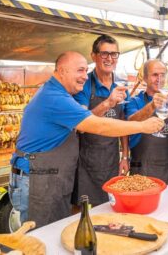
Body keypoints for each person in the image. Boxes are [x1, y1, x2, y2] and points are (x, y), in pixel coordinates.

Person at [9, 51, 163, 228]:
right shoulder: (55, 98)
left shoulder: (59, 93)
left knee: (52, 233)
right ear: (61, 71)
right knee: (39, 238)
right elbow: (99, 126)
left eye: (85, 71)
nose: (84, 76)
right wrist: (142, 127)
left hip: (47, 178)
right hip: (37, 180)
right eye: (80, 70)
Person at [71, 35, 130, 208]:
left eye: (114, 54)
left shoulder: (121, 83)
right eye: (104, 54)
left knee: (109, 209)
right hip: (85, 162)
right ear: (93, 55)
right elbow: (81, 124)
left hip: (111, 160)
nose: (109, 58)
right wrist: (108, 103)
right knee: (81, 212)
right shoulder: (84, 83)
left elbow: (123, 124)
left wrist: (125, 156)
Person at [125, 59, 168, 186]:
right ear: (145, 78)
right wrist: (151, 106)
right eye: (155, 75)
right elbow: (130, 124)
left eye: (163, 75)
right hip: (142, 173)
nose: (159, 79)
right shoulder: (134, 101)